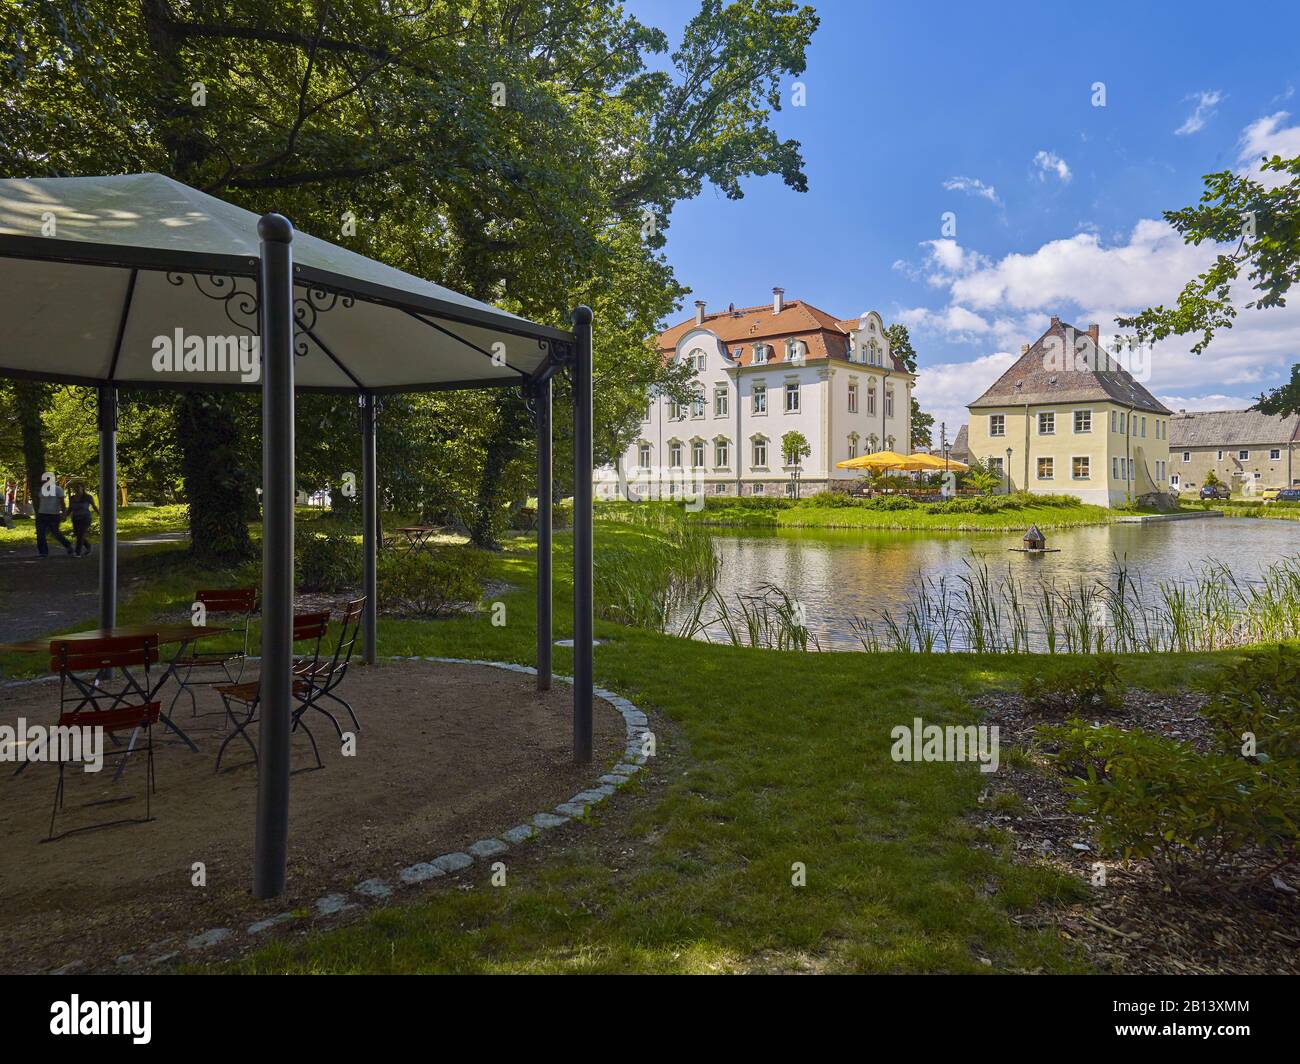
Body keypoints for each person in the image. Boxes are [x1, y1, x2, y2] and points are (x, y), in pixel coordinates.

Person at [35, 477, 73, 558]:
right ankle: (43, 552)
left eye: (46, 480)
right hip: (42, 514)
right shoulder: (42, 490)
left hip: (54, 515)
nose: (44, 482)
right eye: (43, 480)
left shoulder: (58, 489)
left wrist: (64, 513)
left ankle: (68, 545)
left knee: (55, 533)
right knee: (40, 533)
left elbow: (62, 503)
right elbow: (41, 502)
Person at [68, 482, 99, 557]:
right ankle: (88, 547)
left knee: (80, 534)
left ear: (82, 488)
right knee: (77, 534)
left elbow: (94, 506)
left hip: (85, 518)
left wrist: (99, 514)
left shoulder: (88, 497)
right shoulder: (72, 498)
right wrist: (65, 515)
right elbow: (70, 508)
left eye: (78, 487)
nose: (77, 489)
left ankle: (77, 552)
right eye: (75, 488)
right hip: (75, 518)